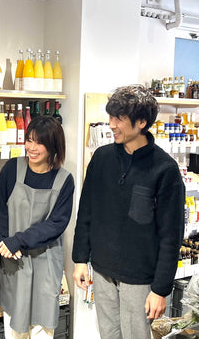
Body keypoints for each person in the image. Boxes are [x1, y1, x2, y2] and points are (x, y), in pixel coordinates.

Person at [72, 84, 185, 339]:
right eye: (111, 117)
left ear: (141, 122)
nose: (111, 124)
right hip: (102, 270)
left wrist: (160, 289)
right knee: (108, 335)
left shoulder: (165, 169)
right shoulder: (101, 158)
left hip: (140, 279)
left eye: (119, 119)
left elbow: (171, 235)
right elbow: (86, 210)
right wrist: (80, 259)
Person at [0, 115, 74, 339]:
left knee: (42, 327)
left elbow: (56, 224)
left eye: (40, 142)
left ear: (53, 146)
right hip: (14, 259)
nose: (32, 148)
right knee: (14, 325)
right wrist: (0, 241)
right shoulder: (12, 168)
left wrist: (18, 240)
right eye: (29, 140)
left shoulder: (64, 179)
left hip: (45, 262)